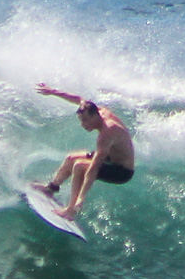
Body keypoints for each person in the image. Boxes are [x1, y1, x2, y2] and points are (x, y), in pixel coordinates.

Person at [32, 83, 135, 221]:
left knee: (80, 165)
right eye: (81, 121)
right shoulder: (97, 110)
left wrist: (81, 198)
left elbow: (94, 168)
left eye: (86, 120)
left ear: (95, 116)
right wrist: (53, 92)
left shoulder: (107, 132)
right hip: (111, 157)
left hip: (122, 170)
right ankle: (51, 188)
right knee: (71, 158)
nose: (83, 125)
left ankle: (71, 210)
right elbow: (79, 100)